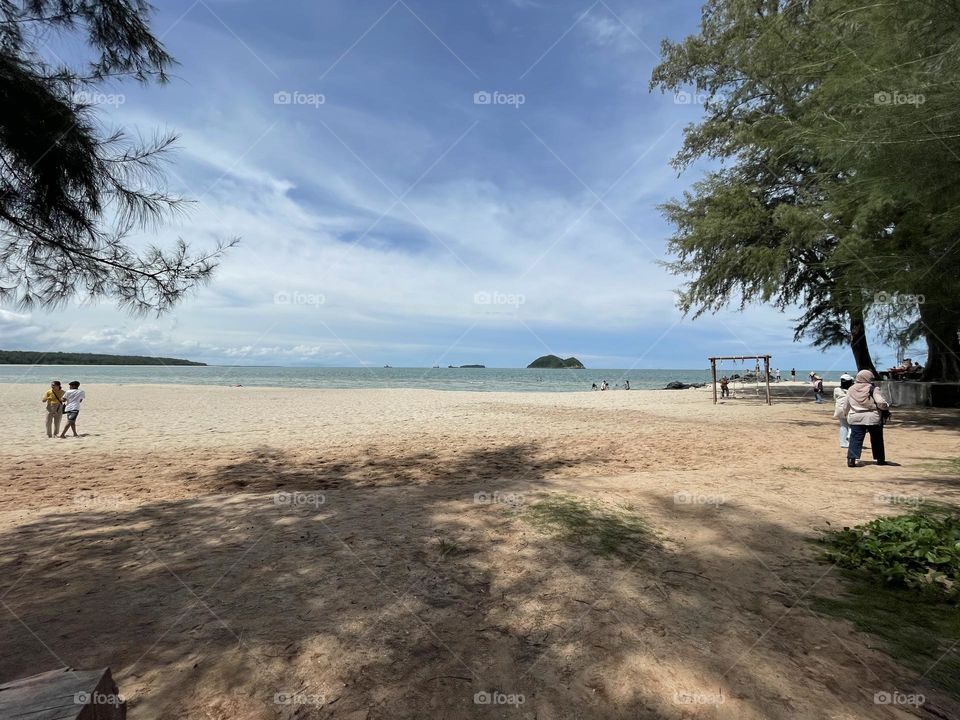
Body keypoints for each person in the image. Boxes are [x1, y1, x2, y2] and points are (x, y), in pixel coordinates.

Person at [844, 370, 891, 467]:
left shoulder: (851, 389)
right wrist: (886, 407)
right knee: (877, 439)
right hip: (873, 418)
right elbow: (880, 402)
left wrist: (845, 414)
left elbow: (846, 405)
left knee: (855, 439)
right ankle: (880, 459)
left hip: (856, 417)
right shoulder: (873, 388)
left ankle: (851, 460)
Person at [833, 374, 855, 448]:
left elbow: (835, 398)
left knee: (843, 426)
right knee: (852, 425)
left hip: (839, 410)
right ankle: (849, 437)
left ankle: (843, 443)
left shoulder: (836, 389)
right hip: (849, 410)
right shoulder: (852, 390)